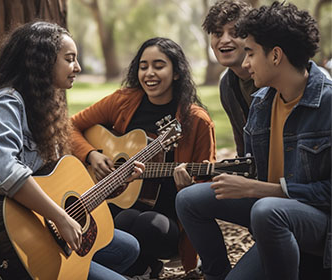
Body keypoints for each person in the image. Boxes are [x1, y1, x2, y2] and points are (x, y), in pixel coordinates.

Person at [176, 2, 331, 280]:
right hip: (271, 213)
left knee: (266, 209)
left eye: (250, 53)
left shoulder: (327, 104)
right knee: (189, 198)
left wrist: (258, 189)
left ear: (275, 56)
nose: (245, 63)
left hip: (317, 225)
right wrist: (221, 177)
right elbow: (251, 168)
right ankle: (216, 273)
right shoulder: (261, 103)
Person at [0, 21, 144, 280]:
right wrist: (60, 217)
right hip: (13, 229)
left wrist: (115, 180)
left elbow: (57, 181)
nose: (78, 68)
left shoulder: (47, 104)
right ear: (42, 61)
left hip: (45, 222)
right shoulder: (6, 102)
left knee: (128, 249)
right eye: (70, 59)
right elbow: (5, 172)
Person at [70, 37, 216, 278]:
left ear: (177, 73)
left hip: (168, 222)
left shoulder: (196, 121)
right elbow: (71, 126)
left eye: (159, 65)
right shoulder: (123, 101)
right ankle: (135, 269)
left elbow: (207, 187)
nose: (150, 73)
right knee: (114, 218)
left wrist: (189, 189)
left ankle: (144, 267)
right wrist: (92, 155)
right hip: (115, 204)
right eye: (143, 66)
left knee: (144, 224)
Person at [202, 0, 256, 157]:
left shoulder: (272, 78)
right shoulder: (226, 84)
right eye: (217, 34)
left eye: (235, 33)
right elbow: (242, 148)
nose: (224, 40)